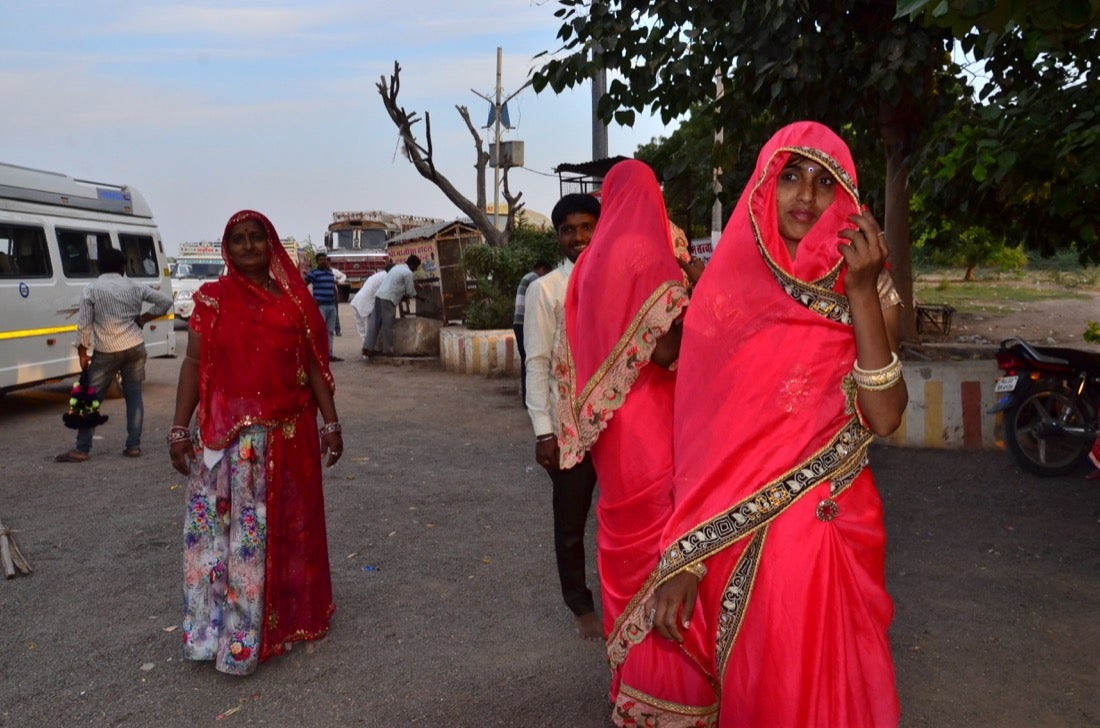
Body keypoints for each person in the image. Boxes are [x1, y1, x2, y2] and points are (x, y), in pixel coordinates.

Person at [634, 121, 907, 726]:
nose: (806, 196)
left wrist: (861, 292)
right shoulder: (723, 298)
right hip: (742, 549)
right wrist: (686, 556)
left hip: (830, 530)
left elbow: (884, 417)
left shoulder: (870, 288)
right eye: (790, 176)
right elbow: (704, 443)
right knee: (770, 699)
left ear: (846, 199)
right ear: (762, 184)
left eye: (823, 181)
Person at [554, 160, 713, 719]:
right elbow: (668, 352)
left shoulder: (586, 269)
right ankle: (674, 695)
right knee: (664, 545)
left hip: (614, 433)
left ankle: (634, 687)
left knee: (624, 540)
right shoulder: (646, 257)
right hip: (653, 422)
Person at [168, 209, 342, 676]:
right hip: (225, 444)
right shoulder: (212, 299)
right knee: (219, 542)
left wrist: (330, 422)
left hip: (286, 437)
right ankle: (213, 635)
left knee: (281, 534)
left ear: (271, 246)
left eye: (256, 238)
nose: (247, 246)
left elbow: (314, 367)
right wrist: (179, 428)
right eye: (238, 238)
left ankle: (271, 627)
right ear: (228, 247)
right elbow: (191, 365)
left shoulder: (292, 302)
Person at [523, 193, 603, 640]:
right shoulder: (547, 289)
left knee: (620, 516)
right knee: (571, 523)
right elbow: (536, 362)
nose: (578, 237)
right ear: (558, 237)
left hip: (617, 426)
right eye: (569, 230)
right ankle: (579, 604)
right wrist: (543, 432)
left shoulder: (616, 282)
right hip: (568, 428)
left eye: (586, 227)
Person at [54, 247, 173, 462]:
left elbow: (84, 326)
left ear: (98, 267)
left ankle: (82, 449)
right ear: (122, 267)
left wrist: (82, 352)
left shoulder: (91, 289)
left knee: (91, 399)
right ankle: (133, 446)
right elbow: (165, 302)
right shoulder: (135, 286)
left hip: (106, 350)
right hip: (135, 346)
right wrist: (144, 318)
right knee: (134, 395)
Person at [363, 254, 422, 360]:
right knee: (388, 325)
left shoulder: (397, 267)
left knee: (374, 323)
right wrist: (419, 297)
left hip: (379, 295)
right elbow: (410, 292)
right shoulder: (408, 273)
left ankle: (368, 347)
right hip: (388, 298)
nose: (416, 270)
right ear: (413, 265)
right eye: (416, 267)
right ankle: (388, 350)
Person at [513, 259, 552, 403]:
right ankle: (529, 399)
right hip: (525, 324)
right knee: (531, 361)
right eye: (547, 273)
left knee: (526, 360)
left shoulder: (527, 278)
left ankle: (526, 398)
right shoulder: (535, 280)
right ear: (543, 269)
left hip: (519, 323)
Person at [350, 262, 393, 358]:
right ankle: (368, 353)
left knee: (363, 331)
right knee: (369, 330)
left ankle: (367, 351)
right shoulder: (386, 277)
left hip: (357, 301)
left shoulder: (378, 275)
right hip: (366, 304)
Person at [305, 252, 341, 361]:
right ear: (317, 262)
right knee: (320, 331)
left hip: (331, 306)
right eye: (321, 260)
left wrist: (336, 299)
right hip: (321, 306)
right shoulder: (314, 273)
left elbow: (332, 287)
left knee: (330, 331)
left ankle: (329, 354)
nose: (323, 261)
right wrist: (311, 300)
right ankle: (319, 354)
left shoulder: (330, 273)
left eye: (324, 259)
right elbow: (303, 285)